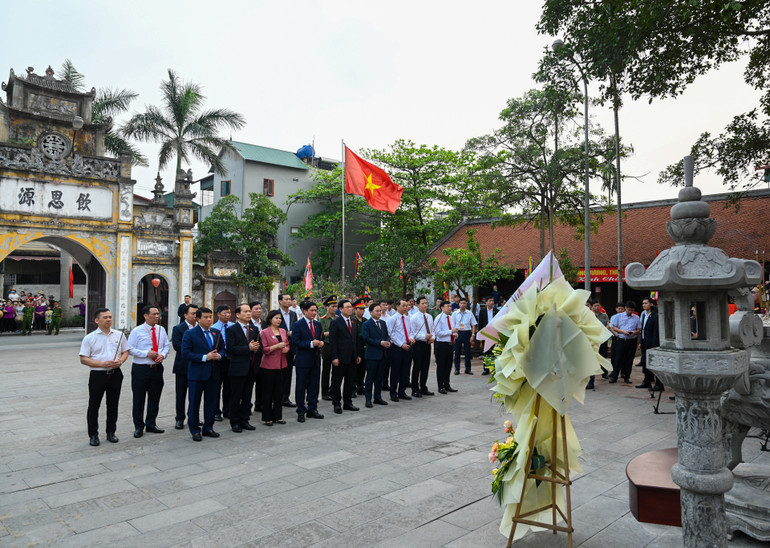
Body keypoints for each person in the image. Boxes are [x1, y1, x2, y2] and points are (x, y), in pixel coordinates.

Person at [79, 308, 129, 447]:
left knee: (113, 405)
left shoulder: (119, 335)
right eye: (105, 317)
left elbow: (125, 351)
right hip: (98, 375)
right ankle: (93, 434)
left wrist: (120, 361)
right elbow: (83, 359)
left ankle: (111, 432)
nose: (108, 319)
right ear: (97, 320)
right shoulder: (90, 338)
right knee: (94, 405)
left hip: (115, 374)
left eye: (110, 317)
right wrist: (102, 363)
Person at [128, 305, 170, 438]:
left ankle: (151, 423)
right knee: (139, 398)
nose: (157, 316)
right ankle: (138, 426)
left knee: (154, 397)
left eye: (158, 314)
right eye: (154, 314)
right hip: (141, 369)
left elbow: (166, 345)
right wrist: (146, 353)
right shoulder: (137, 331)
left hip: (157, 369)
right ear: (145, 316)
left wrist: (162, 355)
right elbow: (129, 349)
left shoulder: (161, 330)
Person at [182, 307, 223, 441]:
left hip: (213, 374)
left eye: (210, 317)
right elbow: (186, 353)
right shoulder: (190, 334)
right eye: (205, 317)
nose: (209, 319)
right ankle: (195, 430)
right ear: (198, 319)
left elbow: (223, 349)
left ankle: (208, 427)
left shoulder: (216, 332)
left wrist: (220, 356)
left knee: (211, 402)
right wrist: (206, 357)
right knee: (194, 403)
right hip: (197, 374)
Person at [226, 304, 260, 433]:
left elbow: (258, 346)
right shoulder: (231, 329)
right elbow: (231, 349)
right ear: (238, 314)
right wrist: (248, 348)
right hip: (238, 368)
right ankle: (235, 422)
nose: (248, 314)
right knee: (236, 396)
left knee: (247, 395)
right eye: (245, 311)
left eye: (249, 311)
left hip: (251, 367)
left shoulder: (254, 329)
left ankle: (245, 420)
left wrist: (256, 347)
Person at [291, 300, 325, 423]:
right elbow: (295, 341)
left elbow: (322, 337)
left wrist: (321, 343)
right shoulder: (298, 325)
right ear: (304, 311)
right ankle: (301, 410)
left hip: (315, 360)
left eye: (315, 310)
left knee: (314, 386)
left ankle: (312, 409)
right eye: (311, 310)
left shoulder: (317, 324)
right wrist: (311, 343)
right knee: (301, 387)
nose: (314, 313)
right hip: (303, 361)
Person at [329, 299, 361, 414]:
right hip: (340, 357)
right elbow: (333, 342)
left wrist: (357, 354)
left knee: (349, 381)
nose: (349, 309)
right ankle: (336, 403)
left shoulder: (353, 321)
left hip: (352, 357)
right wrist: (334, 357)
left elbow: (356, 340)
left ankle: (348, 402)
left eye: (350, 307)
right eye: (347, 307)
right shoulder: (335, 323)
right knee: (337, 382)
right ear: (340, 309)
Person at [260, 310, 290, 426]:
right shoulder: (264, 332)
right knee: (268, 392)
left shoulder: (283, 331)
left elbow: (287, 344)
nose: (279, 320)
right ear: (270, 319)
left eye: (280, 318)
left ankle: (278, 416)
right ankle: (267, 417)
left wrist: (286, 349)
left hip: (282, 364)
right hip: (268, 366)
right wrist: (276, 346)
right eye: (276, 318)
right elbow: (264, 349)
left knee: (279, 392)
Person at [171, 304, 198, 430]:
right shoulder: (178, 328)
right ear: (185, 315)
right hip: (183, 366)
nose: (195, 316)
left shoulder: (202, 328)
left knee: (195, 394)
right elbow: (178, 346)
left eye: (196, 313)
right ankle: (179, 418)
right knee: (181, 394)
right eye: (192, 313)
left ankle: (193, 418)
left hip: (198, 366)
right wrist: (196, 351)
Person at [361, 302, 390, 408]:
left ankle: (378, 397)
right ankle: (368, 399)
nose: (379, 313)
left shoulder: (382, 323)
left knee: (380, 378)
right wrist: (380, 343)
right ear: (370, 312)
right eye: (377, 311)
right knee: (370, 378)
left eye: (380, 311)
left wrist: (387, 341)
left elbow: (386, 335)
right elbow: (366, 338)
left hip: (383, 354)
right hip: (372, 355)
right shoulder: (366, 324)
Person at [386, 298, 414, 402]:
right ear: (397, 307)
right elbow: (391, 334)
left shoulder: (408, 318)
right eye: (404, 306)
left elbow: (411, 331)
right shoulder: (393, 319)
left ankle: (402, 391)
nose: (406, 307)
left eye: (407, 306)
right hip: (397, 348)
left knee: (405, 370)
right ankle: (393, 393)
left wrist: (411, 338)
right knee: (395, 371)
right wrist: (401, 344)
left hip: (407, 346)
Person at [608, 301, 641, 384]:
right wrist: (622, 331)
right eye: (629, 310)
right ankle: (614, 376)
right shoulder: (618, 317)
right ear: (625, 308)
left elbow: (639, 329)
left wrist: (634, 332)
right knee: (618, 359)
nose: (630, 312)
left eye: (632, 310)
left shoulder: (636, 318)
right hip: (621, 340)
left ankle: (627, 376)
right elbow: (614, 327)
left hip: (632, 340)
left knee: (629, 359)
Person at [212, 304, 234, 421]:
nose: (227, 315)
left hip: (231, 360)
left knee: (229, 387)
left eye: (229, 313)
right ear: (218, 314)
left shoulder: (234, 326)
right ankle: (216, 411)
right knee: (216, 386)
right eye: (225, 313)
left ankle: (228, 410)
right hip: (219, 361)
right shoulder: (214, 328)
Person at [410, 296, 435, 397]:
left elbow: (433, 330)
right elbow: (412, 333)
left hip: (427, 344)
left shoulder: (429, 316)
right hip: (418, 344)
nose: (425, 305)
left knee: (426, 366)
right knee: (417, 367)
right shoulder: (414, 317)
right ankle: (415, 389)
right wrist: (424, 336)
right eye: (423, 303)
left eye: (426, 303)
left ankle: (423, 386)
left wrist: (433, 337)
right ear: (417, 305)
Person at [277, 293, 298, 407]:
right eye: (286, 299)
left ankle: (285, 397)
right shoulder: (276, 314)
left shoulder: (293, 314)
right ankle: (277, 397)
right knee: (278, 374)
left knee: (288, 374)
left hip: (290, 348)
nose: (289, 301)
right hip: (278, 347)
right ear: (280, 301)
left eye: (290, 299)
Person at [637, 297, 662, 390]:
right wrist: (641, 342)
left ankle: (659, 384)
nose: (644, 305)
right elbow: (643, 330)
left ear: (651, 304)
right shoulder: (644, 315)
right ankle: (647, 381)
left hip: (652, 343)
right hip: (645, 342)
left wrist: (655, 345)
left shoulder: (655, 316)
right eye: (643, 303)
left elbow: (656, 331)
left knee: (654, 363)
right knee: (645, 363)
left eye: (646, 303)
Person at [434, 300, 459, 394]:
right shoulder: (438, 318)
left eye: (450, 306)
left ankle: (447, 384)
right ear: (442, 308)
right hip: (441, 344)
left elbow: (453, 330)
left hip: (450, 344)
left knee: (448, 366)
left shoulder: (451, 317)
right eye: (447, 306)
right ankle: (440, 386)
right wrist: (450, 332)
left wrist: (455, 334)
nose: (450, 308)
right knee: (441, 366)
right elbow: (437, 333)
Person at [319, 295, 338, 401]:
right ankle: (325, 392)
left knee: (336, 370)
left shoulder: (338, 319)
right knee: (326, 370)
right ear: (327, 307)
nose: (335, 309)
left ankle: (333, 390)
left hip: (337, 346)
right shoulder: (323, 320)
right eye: (332, 307)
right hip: (327, 346)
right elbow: (321, 334)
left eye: (336, 306)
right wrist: (332, 333)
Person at [452, 297, 477, 375]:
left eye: (464, 303)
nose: (462, 305)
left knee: (467, 352)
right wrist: (454, 334)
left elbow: (473, 324)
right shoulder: (455, 313)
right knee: (457, 352)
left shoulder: (469, 313)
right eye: (461, 303)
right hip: (458, 333)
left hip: (467, 333)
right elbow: (452, 324)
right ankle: (457, 369)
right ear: (459, 304)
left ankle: (468, 369)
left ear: (466, 304)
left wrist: (473, 335)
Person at [249, 301, 264, 414]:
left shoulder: (264, 323)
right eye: (256, 309)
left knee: (261, 382)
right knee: (249, 383)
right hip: (251, 357)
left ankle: (259, 404)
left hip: (263, 356)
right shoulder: (247, 324)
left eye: (260, 308)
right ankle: (246, 405)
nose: (258, 310)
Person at [477, 296, 498, 375]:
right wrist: (480, 335)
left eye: (492, 301)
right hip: (485, 334)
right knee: (486, 351)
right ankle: (486, 369)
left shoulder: (497, 311)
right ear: (486, 302)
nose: (491, 302)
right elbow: (480, 323)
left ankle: (494, 368)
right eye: (489, 301)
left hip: (494, 334)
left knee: (495, 352)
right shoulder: (482, 311)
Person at [352, 297, 368, 395]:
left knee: (363, 368)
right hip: (355, 347)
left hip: (364, 347)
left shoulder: (365, 320)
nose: (362, 311)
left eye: (363, 309)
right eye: (360, 309)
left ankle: (361, 386)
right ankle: (353, 388)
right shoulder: (352, 320)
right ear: (355, 309)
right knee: (354, 369)